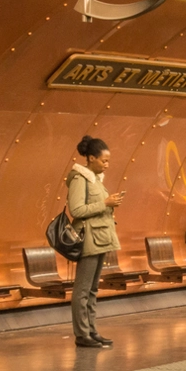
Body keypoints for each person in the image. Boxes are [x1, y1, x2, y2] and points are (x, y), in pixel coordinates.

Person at [66, 135, 123, 349]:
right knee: (82, 289)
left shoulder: (96, 180)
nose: (107, 165)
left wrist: (109, 204)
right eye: (104, 161)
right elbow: (77, 210)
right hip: (88, 238)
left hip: (101, 237)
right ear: (91, 158)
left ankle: (91, 329)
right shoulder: (80, 179)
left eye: (108, 161)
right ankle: (82, 334)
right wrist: (105, 203)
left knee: (92, 289)